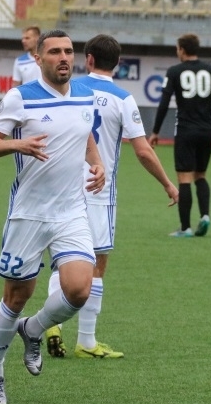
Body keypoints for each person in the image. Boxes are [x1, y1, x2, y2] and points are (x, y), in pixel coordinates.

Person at [0, 29, 105, 404]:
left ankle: (33, 329)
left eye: (68, 51)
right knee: (18, 295)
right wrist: (18, 143)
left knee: (79, 289)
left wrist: (96, 163)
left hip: (71, 211)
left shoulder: (84, 93)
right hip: (29, 214)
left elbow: (85, 133)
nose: (63, 57)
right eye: (54, 52)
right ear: (38, 59)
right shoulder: (21, 97)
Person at [43, 34, 179, 359]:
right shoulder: (122, 99)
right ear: (117, 64)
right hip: (98, 189)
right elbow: (143, 151)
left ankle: (52, 323)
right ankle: (87, 342)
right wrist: (167, 183)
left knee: (64, 259)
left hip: (61, 187)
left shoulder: (68, 89)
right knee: (97, 263)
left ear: (88, 59)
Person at [148, 33, 211, 238]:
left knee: (184, 178)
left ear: (183, 50)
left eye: (177, 48)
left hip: (185, 130)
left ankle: (185, 228)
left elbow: (164, 103)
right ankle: (205, 216)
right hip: (207, 130)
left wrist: (156, 131)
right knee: (201, 175)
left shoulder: (175, 71)